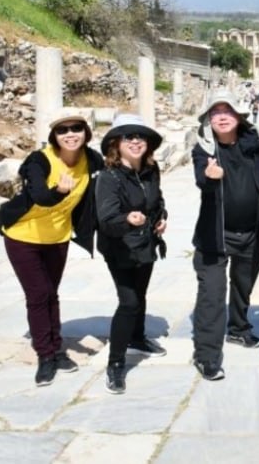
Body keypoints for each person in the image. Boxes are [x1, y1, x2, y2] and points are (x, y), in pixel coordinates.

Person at [0, 110, 104, 387]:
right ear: (53, 136)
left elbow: (108, 180)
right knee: (38, 294)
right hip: (23, 236)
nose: (70, 134)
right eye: (62, 130)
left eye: (76, 128)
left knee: (51, 294)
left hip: (58, 237)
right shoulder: (39, 160)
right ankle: (45, 355)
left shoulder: (91, 159)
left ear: (85, 132)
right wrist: (59, 192)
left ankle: (55, 348)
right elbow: (40, 196)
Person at [190, 89, 259, 381]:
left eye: (227, 111)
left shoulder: (256, 145)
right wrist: (209, 178)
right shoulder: (204, 149)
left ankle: (238, 328)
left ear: (238, 117)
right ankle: (207, 355)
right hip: (215, 235)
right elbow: (202, 178)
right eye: (215, 113)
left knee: (242, 286)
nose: (221, 117)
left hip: (252, 232)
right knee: (212, 294)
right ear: (209, 120)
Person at [95, 114, 167, 395]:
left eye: (141, 136)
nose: (136, 141)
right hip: (119, 247)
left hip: (145, 243)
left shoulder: (151, 170)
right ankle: (116, 363)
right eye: (129, 137)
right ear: (116, 143)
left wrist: (161, 216)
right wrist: (129, 219)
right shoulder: (108, 177)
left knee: (141, 294)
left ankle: (137, 337)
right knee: (128, 302)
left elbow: (156, 200)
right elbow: (107, 218)